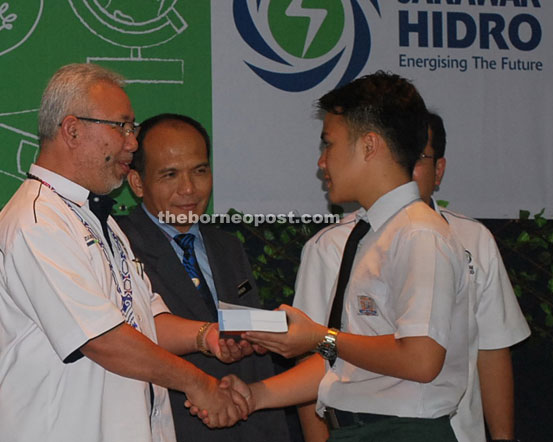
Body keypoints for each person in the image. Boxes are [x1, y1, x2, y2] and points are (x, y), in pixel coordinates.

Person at [191, 71, 472, 441]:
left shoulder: (419, 233)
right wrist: (254, 395)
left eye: (329, 145)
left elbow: (420, 359)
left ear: (369, 146)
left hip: (401, 431)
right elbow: (348, 363)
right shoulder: (370, 234)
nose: (322, 163)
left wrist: (320, 338)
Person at [0, 64, 249, 442]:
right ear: (73, 130)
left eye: (133, 128)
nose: (133, 143)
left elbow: (141, 321)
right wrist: (198, 383)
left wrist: (206, 335)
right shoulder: (37, 220)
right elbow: (101, 339)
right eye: (121, 126)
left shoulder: (98, 219)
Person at [292, 112, 530, 442]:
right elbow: (317, 359)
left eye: (418, 157)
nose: (405, 170)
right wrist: (258, 394)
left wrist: (503, 437)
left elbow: (491, 346)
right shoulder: (331, 245)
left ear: (439, 169)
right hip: (366, 428)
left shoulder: (469, 237)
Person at [116, 113, 290, 442]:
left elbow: (246, 338)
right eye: (170, 174)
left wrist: (276, 332)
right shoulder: (119, 247)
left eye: (200, 171)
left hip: (252, 424)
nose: (189, 189)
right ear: (137, 183)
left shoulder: (228, 246)